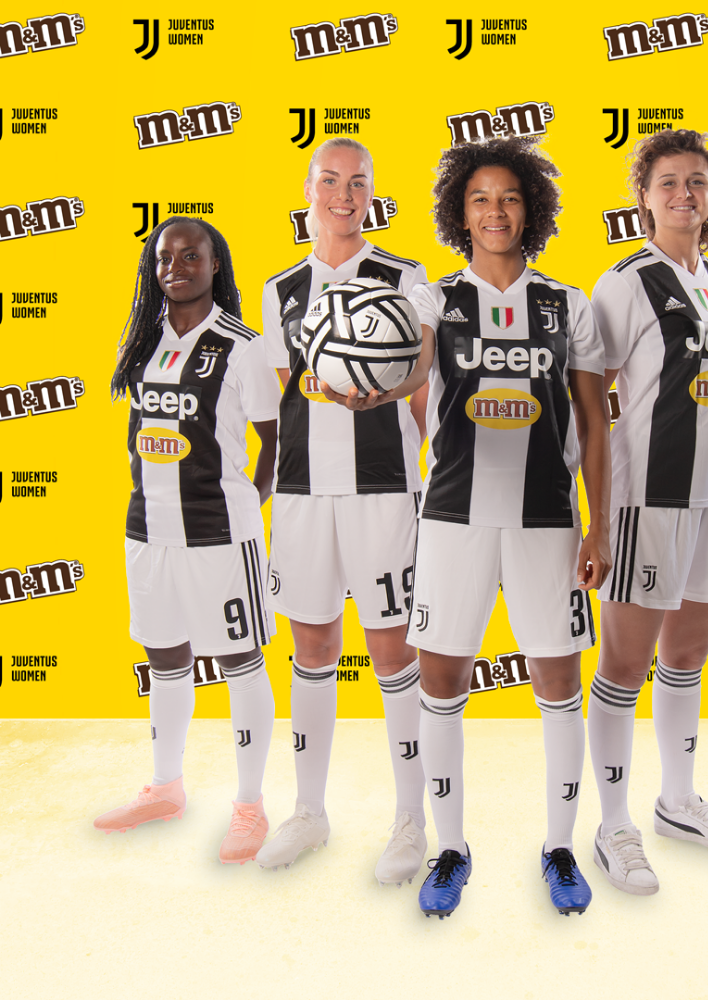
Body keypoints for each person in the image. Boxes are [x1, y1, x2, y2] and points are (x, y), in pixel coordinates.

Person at [396, 136, 611, 918]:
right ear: (460, 212)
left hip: (547, 518)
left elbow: (594, 422)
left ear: (532, 210)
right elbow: (407, 372)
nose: (496, 211)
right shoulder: (434, 301)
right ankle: (451, 849)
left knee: (559, 683)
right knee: (441, 682)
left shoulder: (566, 303)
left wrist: (600, 525)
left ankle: (559, 846)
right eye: (481, 198)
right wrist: (362, 380)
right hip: (452, 517)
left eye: (511, 198)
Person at [256, 138, 430, 883]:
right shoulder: (280, 288)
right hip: (300, 492)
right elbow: (283, 399)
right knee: (313, 649)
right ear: (308, 189)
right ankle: (308, 812)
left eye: (357, 182)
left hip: (383, 488)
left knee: (392, 653)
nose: (343, 194)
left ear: (371, 194)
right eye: (329, 180)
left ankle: (411, 820)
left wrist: (410, 459)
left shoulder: (405, 278)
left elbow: (423, 397)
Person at [588, 129, 708, 897]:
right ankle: (613, 824)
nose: (686, 194)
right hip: (644, 502)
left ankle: (678, 802)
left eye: (698, 182)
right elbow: (588, 395)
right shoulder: (625, 282)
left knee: (688, 656)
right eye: (669, 183)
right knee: (625, 665)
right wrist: (593, 512)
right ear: (645, 198)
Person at [96, 217, 281, 865]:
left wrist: (247, 506)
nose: (175, 267)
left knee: (240, 661)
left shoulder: (243, 347)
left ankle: (250, 805)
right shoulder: (144, 342)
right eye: (164, 257)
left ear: (215, 264)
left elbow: (276, 441)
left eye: (190, 256)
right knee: (165, 658)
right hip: (148, 531)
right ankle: (165, 788)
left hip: (219, 535)